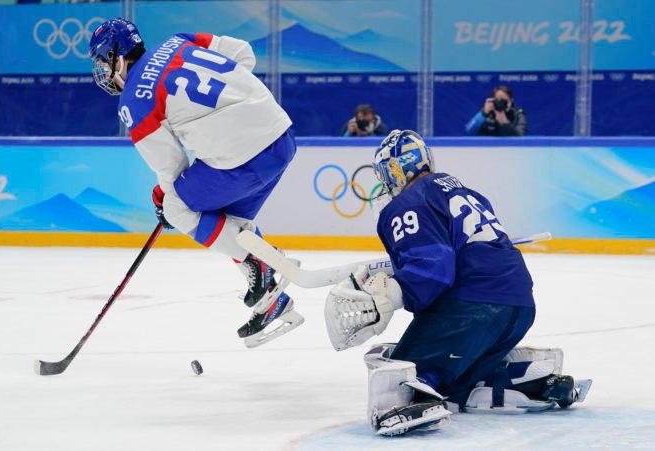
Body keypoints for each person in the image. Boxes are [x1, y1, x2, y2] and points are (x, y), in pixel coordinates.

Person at [324, 130, 589, 436]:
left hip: (473, 306)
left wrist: (391, 294)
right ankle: (524, 380)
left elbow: (433, 268)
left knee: (396, 374)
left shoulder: (407, 203)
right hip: (518, 306)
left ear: (393, 170)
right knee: (461, 378)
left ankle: (417, 397)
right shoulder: (465, 193)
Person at [88, 18, 304, 347]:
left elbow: (171, 167)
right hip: (282, 137)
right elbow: (243, 53)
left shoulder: (134, 100)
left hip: (244, 158)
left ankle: (269, 263)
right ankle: (272, 300)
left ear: (118, 57)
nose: (103, 71)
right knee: (229, 224)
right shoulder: (179, 40)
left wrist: (163, 194)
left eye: (103, 61)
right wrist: (234, 107)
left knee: (176, 207)